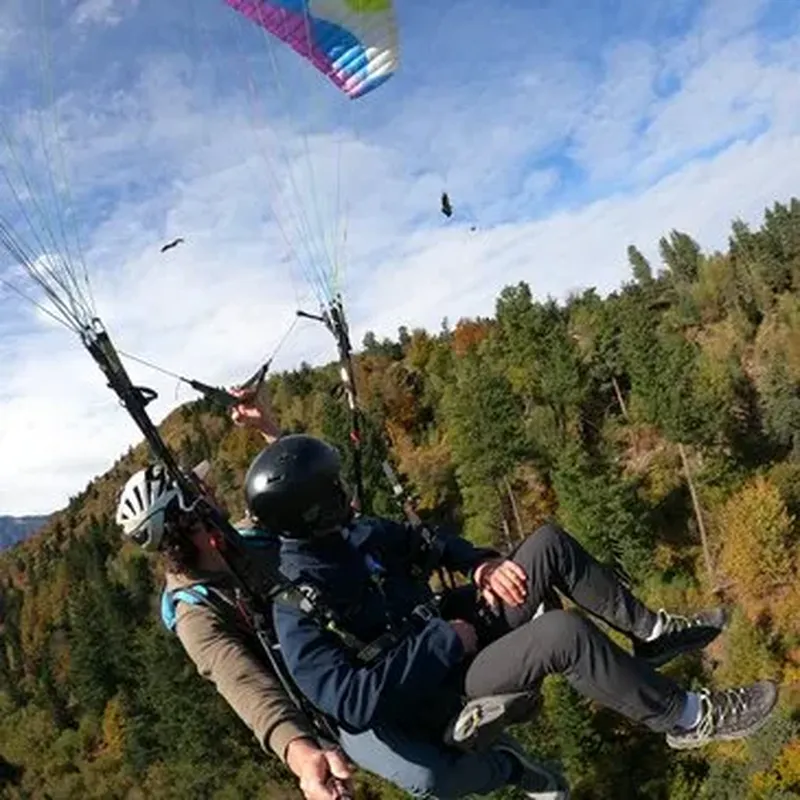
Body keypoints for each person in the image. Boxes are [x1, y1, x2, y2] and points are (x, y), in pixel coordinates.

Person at [240, 432, 779, 797]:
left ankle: (652, 632)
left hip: (455, 632)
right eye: (334, 488)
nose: (346, 493)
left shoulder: (353, 535)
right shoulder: (298, 607)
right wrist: (445, 643)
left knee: (546, 544)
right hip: (442, 691)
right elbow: (350, 704)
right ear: (313, 509)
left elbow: (425, 541)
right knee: (561, 633)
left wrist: (479, 565)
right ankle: (686, 718)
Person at [114, 395, 567, 800]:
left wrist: (270, 430)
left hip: (391, 632)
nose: (214, 495)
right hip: (341, 689)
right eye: (203, 496)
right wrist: (299, 751)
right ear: (190, 526)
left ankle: (537, 658)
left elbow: (309, 499)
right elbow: (246, 686)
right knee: (431, 779)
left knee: (496, 619)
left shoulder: (252, 538)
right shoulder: (198, 614)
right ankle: (509, 766)